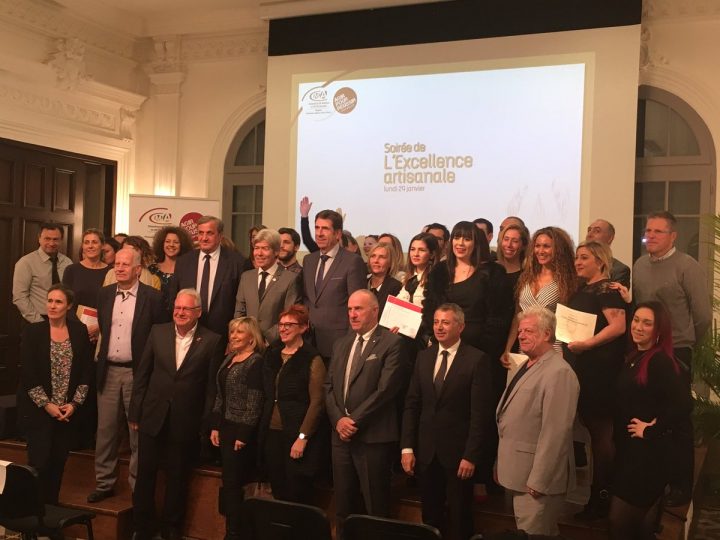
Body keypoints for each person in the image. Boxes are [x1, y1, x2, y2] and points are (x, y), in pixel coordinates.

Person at [129, 288, 224, 540]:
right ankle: (142, 526)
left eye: (186, 309)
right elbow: (142, 375)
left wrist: (206, 422)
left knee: (178, 476)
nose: (180, 312)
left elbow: (211, 388)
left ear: (198, 312)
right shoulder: (157, 332)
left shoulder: (212, 340)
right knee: (145, 474)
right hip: (152, 415)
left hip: (185, 419)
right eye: (177, 308)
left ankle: (171, 528)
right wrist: (135, 412)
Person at [631, 210, 711, 506]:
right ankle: (655, 477)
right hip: (646, 350)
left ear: (673, 236)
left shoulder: (687, 266)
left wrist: (685, 342)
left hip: (676, 351)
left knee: (676, 419)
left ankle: (681, 485)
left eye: (657, 231)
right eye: (647, 231)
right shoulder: (640, 265)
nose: (650, 236)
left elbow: (702, 316)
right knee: (650, 414)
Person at [401, 304, 494, 540]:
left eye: (445, 322)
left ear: (460, 327)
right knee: (430, 517)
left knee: (460, 518)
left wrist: (471, 455)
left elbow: (480, 415)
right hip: (426, 453)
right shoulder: (424, 357)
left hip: (459, 456)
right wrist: (407, 447)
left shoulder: (476, 359)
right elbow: (412, 404)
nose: (439, 327)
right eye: (436, 322)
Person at [325, 290, 409, 537]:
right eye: (350, 309)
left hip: (372, 438)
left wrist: (352, 421)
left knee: (375, 508)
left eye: (358, 309)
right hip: (341, 438)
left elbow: (386, 390)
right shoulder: (341, 343)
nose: (352, 314)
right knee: (343, 506)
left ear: (375, 311)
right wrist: (338, 420)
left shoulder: (392, 343)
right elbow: (328, 387)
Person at [88, 248, 166, 503]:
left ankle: (137, 487)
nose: (119, 268)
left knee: (137, 434)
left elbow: (159, 338)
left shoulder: (153, 298)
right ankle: (104, 483)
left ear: (138, 269)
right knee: (105, 432)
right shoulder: (104, 294)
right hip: (108, 370)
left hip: (138, 374)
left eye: (125, 264)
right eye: (117, 264)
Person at [610, 301, 692, 539]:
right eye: (636, 320)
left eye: (647, 323)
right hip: (633, 453)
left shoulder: (660, 361)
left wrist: (651, 429)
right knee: (642, 528)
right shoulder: (637, 355)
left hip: (647, 457)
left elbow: (684, 404)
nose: (638, 327)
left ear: (659, 330)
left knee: (619, 523)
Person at [496, 307, 580, 536]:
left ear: (547, 334)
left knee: (535, 534)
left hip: (536, 483)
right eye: (520, 331)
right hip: (518, 473)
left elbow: (556, 432)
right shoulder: (528, 363)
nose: (521, 336)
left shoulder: (559, 372)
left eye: (529, 331)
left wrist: (540, 480)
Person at [563, 241, 627, 520]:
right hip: (584, 368)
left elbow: (618, 326)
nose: (578, 262)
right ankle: (597, 497)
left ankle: (602, 498)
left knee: (602, 434)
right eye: (577, 257)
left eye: (584, 257)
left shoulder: (607, 289)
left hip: (600, 371)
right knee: (593, 433)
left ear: (600, 261)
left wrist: (587, 344)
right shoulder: (584, 288)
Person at [18, 284, 92, 504]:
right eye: (49, 300)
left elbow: (86, 371)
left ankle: (51, 512)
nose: (52, 306)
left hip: (66, 413)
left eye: (58, 302)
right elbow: (28, 373)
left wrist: (74, 404)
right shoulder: (33, 332)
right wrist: (47, 405)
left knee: (58, 464)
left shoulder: (79, 331)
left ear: (69, 306)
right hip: (39, 411)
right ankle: (34, 515)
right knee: (39, 464)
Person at [260, 305, 327, 503]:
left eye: (289, 325)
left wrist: (303, 437)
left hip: (296, 434)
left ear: (303, 328)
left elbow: (317, 402)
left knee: (296, 492)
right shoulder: (272, 353)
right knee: (277, 488)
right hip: (271, 432)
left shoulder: (311, 358)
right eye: (281, 324)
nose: (283, 329)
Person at [210, 317, 265, 540]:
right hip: (225, 426)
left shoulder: (255, 362)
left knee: (234, 483)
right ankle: (232, 530)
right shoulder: (230, 357)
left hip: (241, 431)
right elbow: (220, 395)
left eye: (239, 332)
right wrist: (215, 426)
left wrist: (244, 434)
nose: (233, 336)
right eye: (232, 332)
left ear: (252, 338)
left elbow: (255, 401)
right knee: (229, 483)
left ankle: (235, 533)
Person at [502, 226, 577, 363]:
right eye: (537, 246)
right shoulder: (526, 277)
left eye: (546, 246)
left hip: (553, 349)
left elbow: (569, 320)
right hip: (524, 349)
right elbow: (517, 316)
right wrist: (508, 348)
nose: (540, 251)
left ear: (559, 250)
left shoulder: (567, 281)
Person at [301, 209, 367, 360]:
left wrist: (349, 343)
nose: (319, 233)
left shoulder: (352, 261)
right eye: (317, 228)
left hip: (338, 344)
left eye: (325, 228)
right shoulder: (309, 260)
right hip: (309, 341)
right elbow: (307, 298)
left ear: (337, 234)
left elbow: (358, 306)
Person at [172, 215, 246, 343]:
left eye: (209, 233)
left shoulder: (237, 262)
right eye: (201, 233)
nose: (204, 238)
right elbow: (174, 296)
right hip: (188, 333)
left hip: (223, 335)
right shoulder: (184, 262)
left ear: (220, 236)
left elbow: (241, 304)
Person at [234, 228, 302, 344]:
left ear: (276, 252)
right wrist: (247, 337)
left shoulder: (290, 279)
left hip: (275, 344)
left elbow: (289, 316)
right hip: (248, 343)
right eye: (256, 248)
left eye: (265, 248)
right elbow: (239, 312)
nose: (259, 253)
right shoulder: (246, 277)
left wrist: (265, 339)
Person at [13, 222, 72, 323]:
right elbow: (19, 297)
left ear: (61, 240)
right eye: (47, 239)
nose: (51, 243)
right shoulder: (26, 262)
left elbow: (70, 293)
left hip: (63, 320)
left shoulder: (67, 262)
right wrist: (39, 322)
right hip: (36, 320)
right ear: (39, 239)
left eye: (55, 239)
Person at [62, 228, 111, 341]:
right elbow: (65, 302)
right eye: (86, 242)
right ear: (82, 246)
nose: (90, 246)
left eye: (94, 242)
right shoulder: (71, 270)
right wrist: (81, 328)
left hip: (101, 331)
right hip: (74, 329)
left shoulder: (111, 272)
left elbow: (113, 305)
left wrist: (99, 326)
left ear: (102, 245)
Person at [397, 233, 441, 309]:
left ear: (432, 254)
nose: (416, 254)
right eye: (412, 249)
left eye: (421, 250)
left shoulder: (436, 279)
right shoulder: (407, 278)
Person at [585, 218, 631, 287]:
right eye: (589, 230)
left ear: (610, 238)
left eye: (597, 231)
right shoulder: (578, 265)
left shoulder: (619, 270)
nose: (589, 234)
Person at [366, 242, 402, 315]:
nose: (376, 261)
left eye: (382, 257)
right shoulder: (361, 283)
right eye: (373, 256)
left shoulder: (396, 287)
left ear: (390, 262)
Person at [495, 223, 530, 290]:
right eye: (506, 239)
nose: (509, 245)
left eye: (515, 241)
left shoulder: (528, 275)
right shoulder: (490, 270)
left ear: (524, 245)